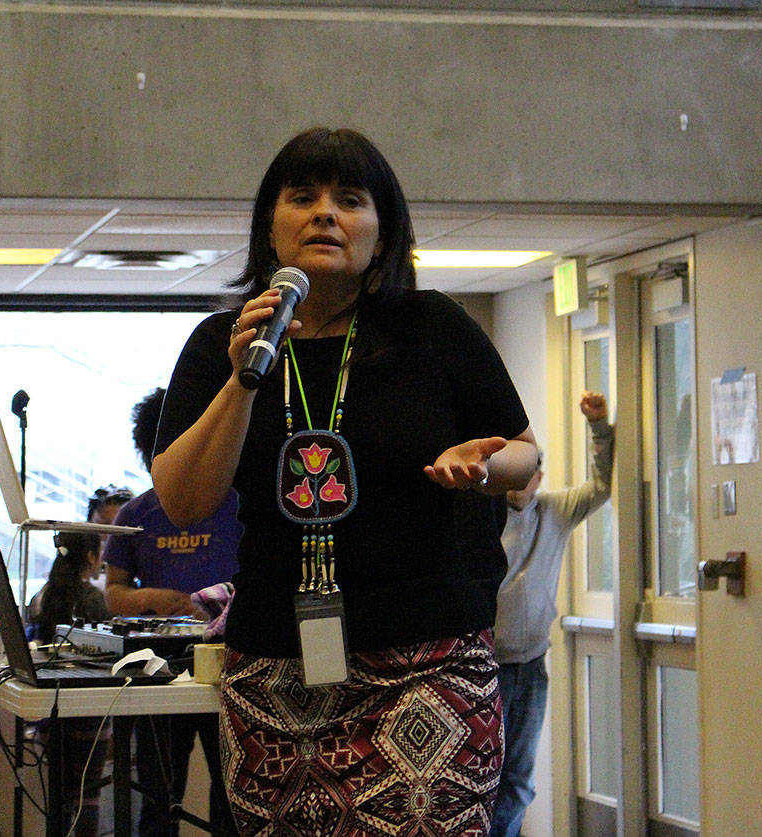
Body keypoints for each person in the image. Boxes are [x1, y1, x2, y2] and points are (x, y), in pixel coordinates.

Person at [150, 126, 539, 835]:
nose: (325, 213)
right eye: (303, 197)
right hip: (273, 671)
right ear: (270, 227)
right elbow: (183, 500)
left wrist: (483, 465)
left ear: (382, 236)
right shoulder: (222, 343)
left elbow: (525, 456)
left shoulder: (431, 327)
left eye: (350, 200)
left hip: (428, 664)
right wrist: (242, 380)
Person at [103, 387, 240, 836]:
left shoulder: (239, 505)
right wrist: (156, 598)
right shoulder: (134, 513)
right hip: (158, 669)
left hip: (228, 666)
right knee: (158, 799)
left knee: (232, 799)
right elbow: (114, 595)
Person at [490, 391, 614, 837]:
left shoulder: (555, 512)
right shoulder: (484, 518)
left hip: (531, 666)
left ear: (538, 476)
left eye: (526, 474)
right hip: (488, 668)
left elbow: (602, 486)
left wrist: (598, 427)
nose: (518, 483)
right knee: (484, 778)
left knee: (519, 781)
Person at [26, 529, 113, 837]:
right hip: (91, 709)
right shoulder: (93, 598)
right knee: (88, 793)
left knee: (59, 793)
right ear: (91, 557)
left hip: (51, 708)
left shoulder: (42, 596)